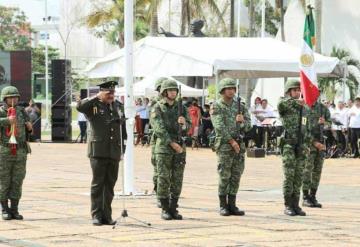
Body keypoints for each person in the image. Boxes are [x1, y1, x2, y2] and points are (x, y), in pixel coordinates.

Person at [76, 81, 126, 226]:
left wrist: (122, 148)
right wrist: (95, 97)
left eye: (113, 93)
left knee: (110, 185)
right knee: (98, 184)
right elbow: (80, 106)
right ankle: (97, 215)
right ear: (101, 93)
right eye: (108, 93)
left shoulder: (118, 105)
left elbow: (122, 129)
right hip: (98, 150)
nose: (111, 95)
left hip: (114, 150)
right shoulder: (93, 105)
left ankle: (107, 215)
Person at [210, 78, 251, 216]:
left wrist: (242, 121)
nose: (231, 91)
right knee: (224, 175)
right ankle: (223, 205)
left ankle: (232, 204)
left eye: (233, 88)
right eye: (228, 88)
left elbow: (249, 125)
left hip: (239, 145)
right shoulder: (217, 106)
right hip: (225, 146)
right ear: (222, 90)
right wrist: (231, 141)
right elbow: (219, 126)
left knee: (236, 175)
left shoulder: (241, 106)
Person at [151, 79, 191, 220]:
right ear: (164, 92)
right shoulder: (158, 107)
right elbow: (158, 128)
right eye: (170, 90)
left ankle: (173, 207)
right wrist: (172, 144)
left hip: (180, 148)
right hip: (164, 148)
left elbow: (189, 126)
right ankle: (165, 208)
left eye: (175, 90)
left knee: (177, 178)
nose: (173, 92)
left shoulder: (182, 108)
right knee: (163, 178)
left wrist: (184, 124)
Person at [278, 80, 310, 216]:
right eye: (294, 90)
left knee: (299, 176)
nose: (297, 92)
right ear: (289, 91)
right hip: (289, 145)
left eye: (299, 90)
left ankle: (296, 205)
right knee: (289, 176)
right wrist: (296, 102)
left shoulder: (304, 108)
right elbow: (281, 104)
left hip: (300, 145)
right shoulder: (286, 104)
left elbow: (306, 128)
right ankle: (288, 205)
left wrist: (307, 144)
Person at [0, 86, 32, 220]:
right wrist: (7, 120)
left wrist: (29, 127)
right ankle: (4, 209)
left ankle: (14, 209)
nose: (13, 100)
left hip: (20, 150)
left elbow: (28, 129)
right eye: (10, 97)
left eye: (15, 97)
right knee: (4, 180)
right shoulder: (1, 111)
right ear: (5, 99)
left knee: (17, 180)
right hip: (5, 151)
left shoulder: (21, 111)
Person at [302, 100, 330, 208]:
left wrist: (325, 123)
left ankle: (313, 196)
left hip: (321, 145)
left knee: (317, 171)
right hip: (309, 145)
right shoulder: (304, 108)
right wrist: (314, 142)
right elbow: (302, 128)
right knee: (307, 171)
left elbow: (330, 122)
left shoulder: (323, 108)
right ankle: (305, 197)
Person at [149, 77, 167, 208]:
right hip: (158, 139)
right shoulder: (155, 103)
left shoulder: (175, 103)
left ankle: (168, 194)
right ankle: (158, 193)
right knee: (158, 168)